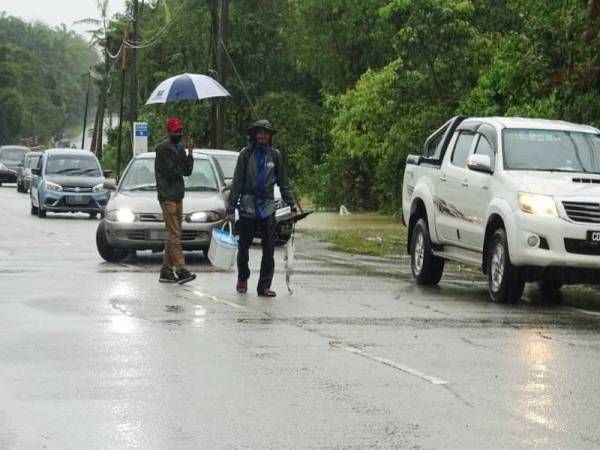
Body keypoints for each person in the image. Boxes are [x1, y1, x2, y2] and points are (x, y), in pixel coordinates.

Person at [226, 119, 296, 297]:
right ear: (254, 135)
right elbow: (237, 183)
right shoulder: (245, 155)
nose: (263, 136)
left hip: (267, 206)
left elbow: (283, 183)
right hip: (248, 205)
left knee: (269, 248)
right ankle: (243, 277)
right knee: (244, 246)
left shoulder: (275, 156)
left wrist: (291, 203)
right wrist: (230, 209)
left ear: (270, 136)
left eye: (266, 133)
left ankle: (264, 285)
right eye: (260, 132)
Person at [155, 116, 197, 284]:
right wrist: (181, 160)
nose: (178, 133)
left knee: (173, 234)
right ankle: (181, 269)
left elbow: (186, 171)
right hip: (167, 196)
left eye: (180, 131)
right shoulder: (163, 149)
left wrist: (190, 153)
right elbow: (171, 172)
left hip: (178, 195)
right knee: (174, 235)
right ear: (169, 132)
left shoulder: (180, 148)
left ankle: (166, 270)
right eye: (175, 131)